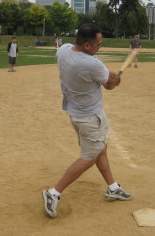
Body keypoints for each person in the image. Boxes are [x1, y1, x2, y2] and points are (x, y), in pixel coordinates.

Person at [42, 23, 130, 219]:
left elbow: (104, 80)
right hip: (90, 117)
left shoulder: (63, 50)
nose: (100, 48)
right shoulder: (91, 64)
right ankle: (54, 192)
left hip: (75, 112)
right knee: (89, 158)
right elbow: (109, 85)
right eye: (98, 45)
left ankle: (113, 187)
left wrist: (109, 78)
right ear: (88, 45)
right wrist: (117, 78)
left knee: (100, 149)